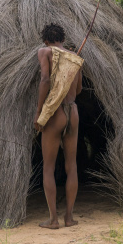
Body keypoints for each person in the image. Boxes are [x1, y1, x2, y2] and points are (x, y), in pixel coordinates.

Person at [34, 23, 82, 229]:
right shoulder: (74, 58)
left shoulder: (44, 52)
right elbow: (79, 89)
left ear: (46, 40)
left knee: (49, 168)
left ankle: (53, 220)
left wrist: (39, 113)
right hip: (73, 111)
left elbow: (45, 79)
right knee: (72, 166)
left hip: (55, 114)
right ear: (62, 39)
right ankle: (69, 218)